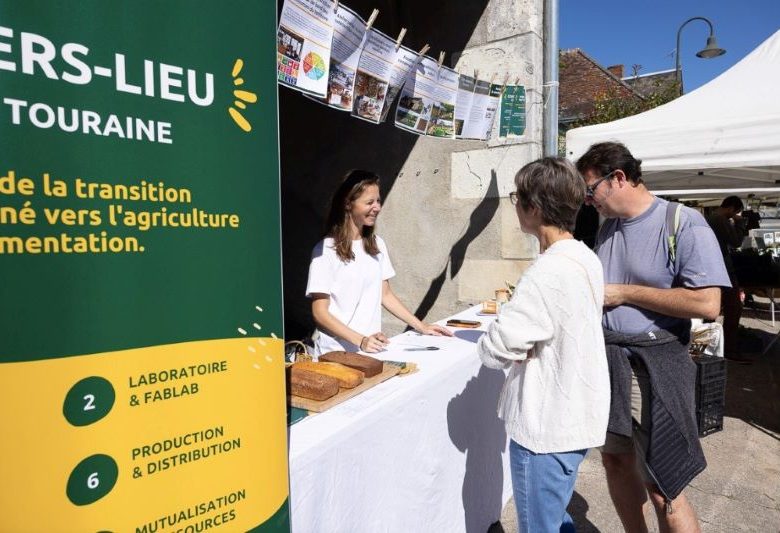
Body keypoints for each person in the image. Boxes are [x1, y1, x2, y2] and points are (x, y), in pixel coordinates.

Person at [576, 142, 730, 533]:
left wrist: (625, 293)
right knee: (614, 461)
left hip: (655, 369)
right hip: (609, 363)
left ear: (619, 179)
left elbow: (708, 303)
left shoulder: (683, 222)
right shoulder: (606, 226)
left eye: (591, 189)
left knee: (665, 486)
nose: (588, 200)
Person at [478, 157, 610, 532]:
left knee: (539, 526)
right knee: (554, 518)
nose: (514, 205)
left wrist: (504, 334)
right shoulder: (585, 256)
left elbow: (495, 348)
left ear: (534, 208)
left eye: (516, 198)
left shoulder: (547, 272)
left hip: (546, 425)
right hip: (572, 414)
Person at [306, 169, 451, 355]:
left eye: (378, 201)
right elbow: (320, 313)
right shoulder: (325, 250)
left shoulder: (377, 245)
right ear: (348, 204)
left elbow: (386, 295)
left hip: (371, 350)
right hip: (336, 354)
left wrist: (421, 326)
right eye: (369, 202)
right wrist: (361, 340)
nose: (377, 207)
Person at [706, 196, 749, 363]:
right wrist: (740, 223)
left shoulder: (711, 218)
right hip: (721, 270)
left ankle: (707, 349)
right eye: (735, 212)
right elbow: (736, 241)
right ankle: (728, 349)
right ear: (731, 208)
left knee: (710, 311)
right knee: (733, 308)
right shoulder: (719, 219)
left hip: (714, 269)